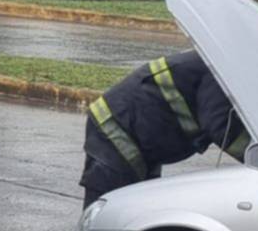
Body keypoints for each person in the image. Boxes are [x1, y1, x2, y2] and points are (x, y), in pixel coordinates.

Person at [80, 50, 249, 207]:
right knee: (110, 207)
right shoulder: (220, 71)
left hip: (138, 137)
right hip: (116, 128)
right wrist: (256, 156)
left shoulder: (225, 64)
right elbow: (219, 125)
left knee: (136, 210)